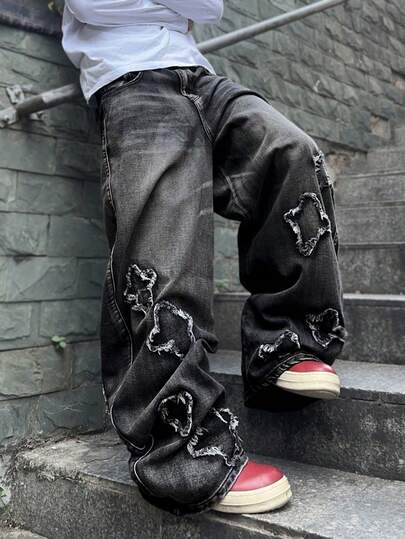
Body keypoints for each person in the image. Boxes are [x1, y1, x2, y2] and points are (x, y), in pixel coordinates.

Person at [61, 0, 346, 516]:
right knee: (162, 247)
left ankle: (284, 341)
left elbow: (210, 7)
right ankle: (181, 453)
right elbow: (93, 5)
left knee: (292, 153)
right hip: (130, 77)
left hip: (199, 76)